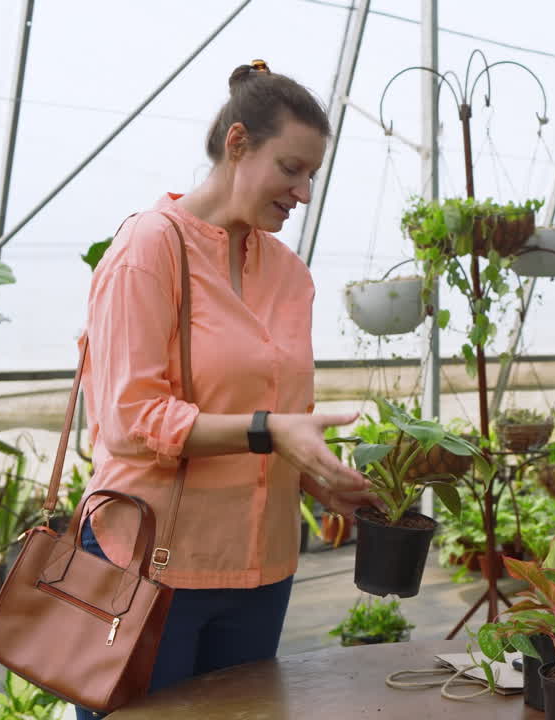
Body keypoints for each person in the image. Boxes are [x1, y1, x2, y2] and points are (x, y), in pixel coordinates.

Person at [75, 60, 377, 717]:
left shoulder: (290, 275)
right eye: (290, 169)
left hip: (262, 569)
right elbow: (129, 418)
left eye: (312, 177)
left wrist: (321, 476)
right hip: (149, 566)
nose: (302, 192)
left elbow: (287, 414)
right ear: (237, 144)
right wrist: (269, 431)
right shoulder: (149, 250)